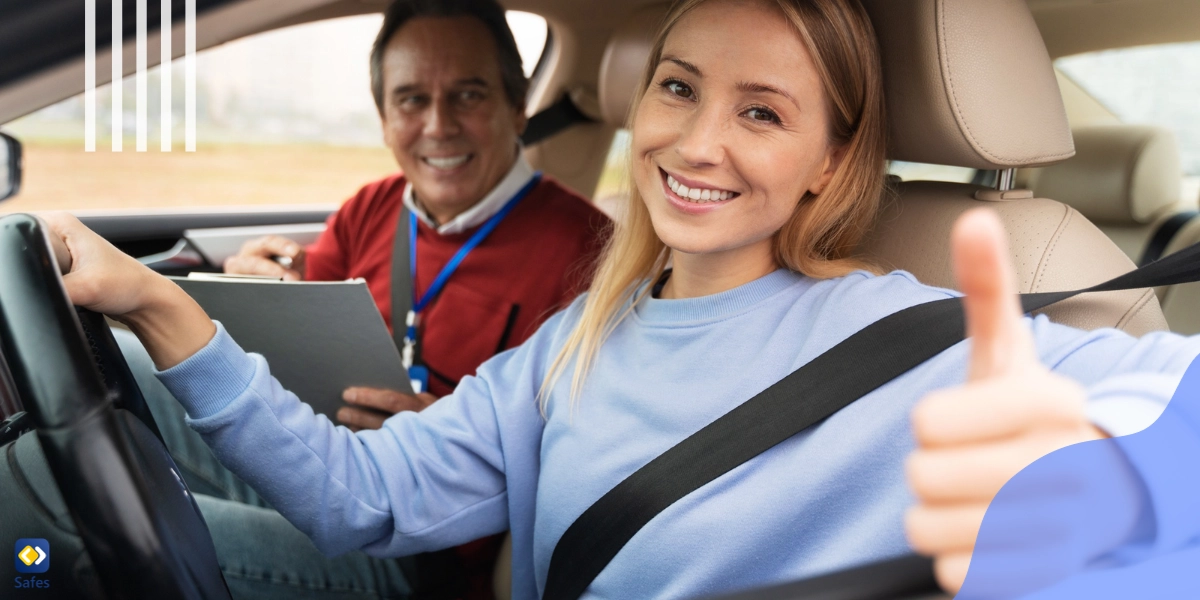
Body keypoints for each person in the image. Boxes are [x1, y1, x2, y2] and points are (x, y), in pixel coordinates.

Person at [44, 0, 1200, 597]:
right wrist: (162, 308)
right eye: (680, 89)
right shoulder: (579, 335)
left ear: (831, 162)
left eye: (762, 111)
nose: (697, 142)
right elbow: (363, 498)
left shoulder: (921, 338)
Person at [108, 0, 609, 597]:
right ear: (383, 117)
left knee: (119, 524)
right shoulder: (370, 209)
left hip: (433, 547)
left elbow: (577, 460)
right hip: (317, 464)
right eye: (411, 99)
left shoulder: (587, 255)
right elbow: (297, 341)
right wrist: (263, 297)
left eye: (469, 95)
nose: (438, 125)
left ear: (518, 106)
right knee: (126, 361)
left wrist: (454, 437)